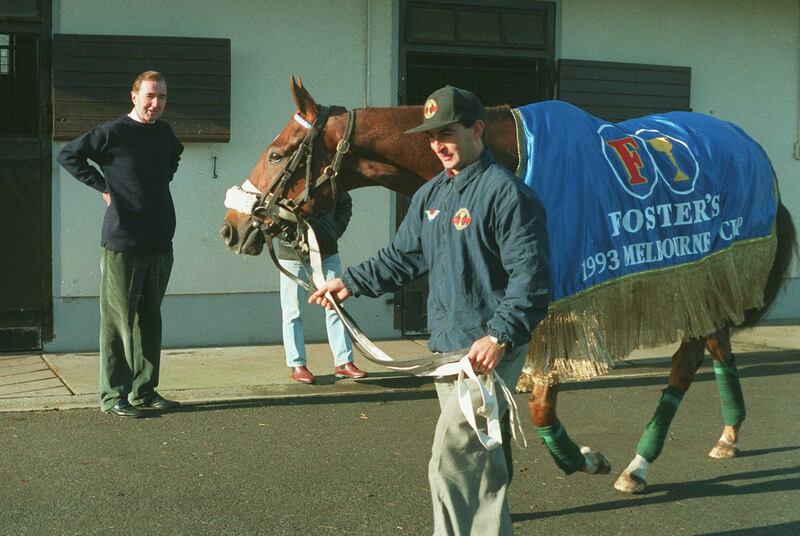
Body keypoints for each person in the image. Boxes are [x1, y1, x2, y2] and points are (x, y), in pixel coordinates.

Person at [309, 86, 551, 534]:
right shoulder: (432, 194)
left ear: (477, 130)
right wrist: (349, 282)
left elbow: (531, 280)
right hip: (446, 345)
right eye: (431, 136)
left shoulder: (508, 194)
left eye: (448, 133)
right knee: (485, 456)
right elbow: (403, 256)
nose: (438, 144)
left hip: (485, 349)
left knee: (451, 460)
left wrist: (499, 336)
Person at [57, 71, 184, 418]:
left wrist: (160, 180)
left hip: (159, 239)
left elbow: (175, 153)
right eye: (149, 96)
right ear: (134, 96)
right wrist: (104, 186)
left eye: (161, 98)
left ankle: (145, 391)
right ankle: (113, 396)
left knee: (150, 320)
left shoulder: (164, 133)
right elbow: (69, 155)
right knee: (118, 323)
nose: (155, 104)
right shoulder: (112, 132)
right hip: (122, 241)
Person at [277, 192, 367, 384]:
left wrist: (332, 231)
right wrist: (287, 232)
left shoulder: (329, 180)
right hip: (293, 253)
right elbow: (273, 212)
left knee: (336, 305)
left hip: (328, 251)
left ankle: (344, 363)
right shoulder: (290, 177)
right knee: (293, 311)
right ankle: (297, 364)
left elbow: (345, 203)